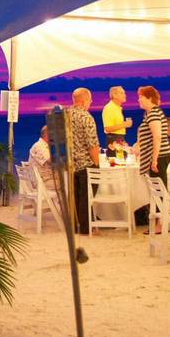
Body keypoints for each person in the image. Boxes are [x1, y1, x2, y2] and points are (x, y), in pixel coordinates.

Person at [65, 88, 100, 235]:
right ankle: (86, 228)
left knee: (74, 196)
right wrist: (97, 163)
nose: (90, 104)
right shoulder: (86, 117)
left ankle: (74, 226)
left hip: (70, 163)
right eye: (90, 101)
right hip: (85, 163)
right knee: (86, 196)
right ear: (84, 100)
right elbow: (92, 144)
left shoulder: (64, 115)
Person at [135, 86, 170, 185]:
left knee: (159, 188)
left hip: (159, 156)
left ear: (150, 98)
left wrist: (154, 160)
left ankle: (161, 201)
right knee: (158, 188)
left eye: (141, 97)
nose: (139, 100)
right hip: (160, 155)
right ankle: (157, 201)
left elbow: (157, 136)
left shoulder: (153, 113)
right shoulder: (151, 113)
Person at [101, 86, 133, 157]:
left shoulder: (117, 108)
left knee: (122, 162)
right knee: (117, 164)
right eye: (122, 93)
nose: (125, 95)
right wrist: (125, 124)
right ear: (114, 95)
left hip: (119, 139)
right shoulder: (109, 108)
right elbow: (107, 128)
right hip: (113, 140)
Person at [28, 125, 57, 193]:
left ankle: (58, 203)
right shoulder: (40, 146)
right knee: (68, 182)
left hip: (44, 179)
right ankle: (63, 203)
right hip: (42, 182)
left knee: (67, 179)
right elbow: (50, 161)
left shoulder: (44, 146)